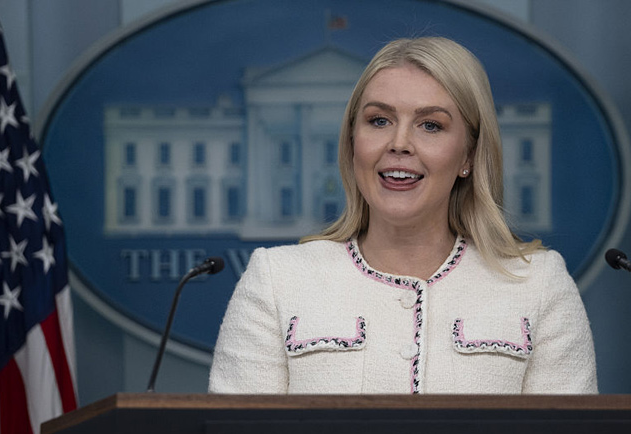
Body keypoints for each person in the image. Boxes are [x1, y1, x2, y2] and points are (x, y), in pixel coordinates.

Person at [209, 37, 597, 394]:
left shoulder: (539, 285)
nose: (399, 143)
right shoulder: (276, 280)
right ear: (352, 142)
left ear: (468, 156)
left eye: (431, 125)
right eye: (379, 121)